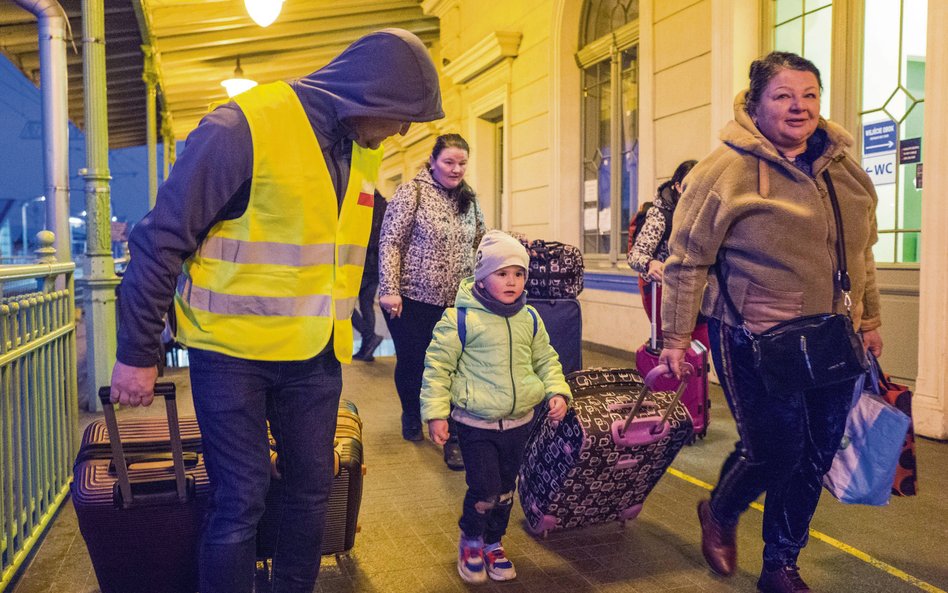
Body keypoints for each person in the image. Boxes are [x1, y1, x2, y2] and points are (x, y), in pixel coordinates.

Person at [108, 29, 443, 593]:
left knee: (313, 489)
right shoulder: (239, 129)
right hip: (231, 354)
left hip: (315, 356)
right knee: (241, 499)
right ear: (368, 96)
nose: (404, 131)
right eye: (403, 116)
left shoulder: (363, 147)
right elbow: (159, 240)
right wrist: (137, 353)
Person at [658, 52, 883, 593]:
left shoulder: (842, 168)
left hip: (832, 335)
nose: (798, 106)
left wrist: (870, 317)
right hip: (753, 335)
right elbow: (686, 259)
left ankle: (781, 562)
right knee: (776, 449)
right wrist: (675, 338)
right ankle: (720, 510)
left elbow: (863, 252)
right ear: (756, 104)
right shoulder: (723, 171)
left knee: (817, 452)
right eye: (783, 96)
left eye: (809, 95)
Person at [420, 230, 571, 584]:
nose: (512, 281)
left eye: (519, 274)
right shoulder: (460, 319)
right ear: (482, 278)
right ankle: (471, 539)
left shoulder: (529, 318)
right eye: (502, 273)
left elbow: (546, 359)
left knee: (506, 490)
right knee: (485, 488)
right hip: (476, 423)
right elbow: (438, 368)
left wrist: (557, 391)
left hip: (520, 422)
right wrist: (436, 413)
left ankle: (493, 542)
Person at [378, 133, 486, 469]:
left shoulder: (468, 199)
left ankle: (451, 436)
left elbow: (482, 239)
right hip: (412, 298)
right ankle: (412, 413)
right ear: (433, 160)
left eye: (462, 163)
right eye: (449, 162)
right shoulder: (414, 192)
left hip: (457, 300)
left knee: (453, 367)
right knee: (414, 364)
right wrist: (389, 288)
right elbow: (391, 242)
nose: (456, 169)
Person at [627, 159, 708, 349]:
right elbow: (636, 254)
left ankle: (695, 378)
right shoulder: (660, 214)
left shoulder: (702, 214)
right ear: (677, 186)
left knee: (701, 344)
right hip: (662, 289)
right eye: (689, 186)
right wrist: (650, 263)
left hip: (694, 287)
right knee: (672, 344)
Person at [352, 189, 387, 361]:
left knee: (344, 306)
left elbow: (362, 231)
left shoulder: (365, 200)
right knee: (366, 305)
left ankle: (369, 336)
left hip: (363, 262)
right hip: (377, 265)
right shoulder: (385, 205)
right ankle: (367, 350)